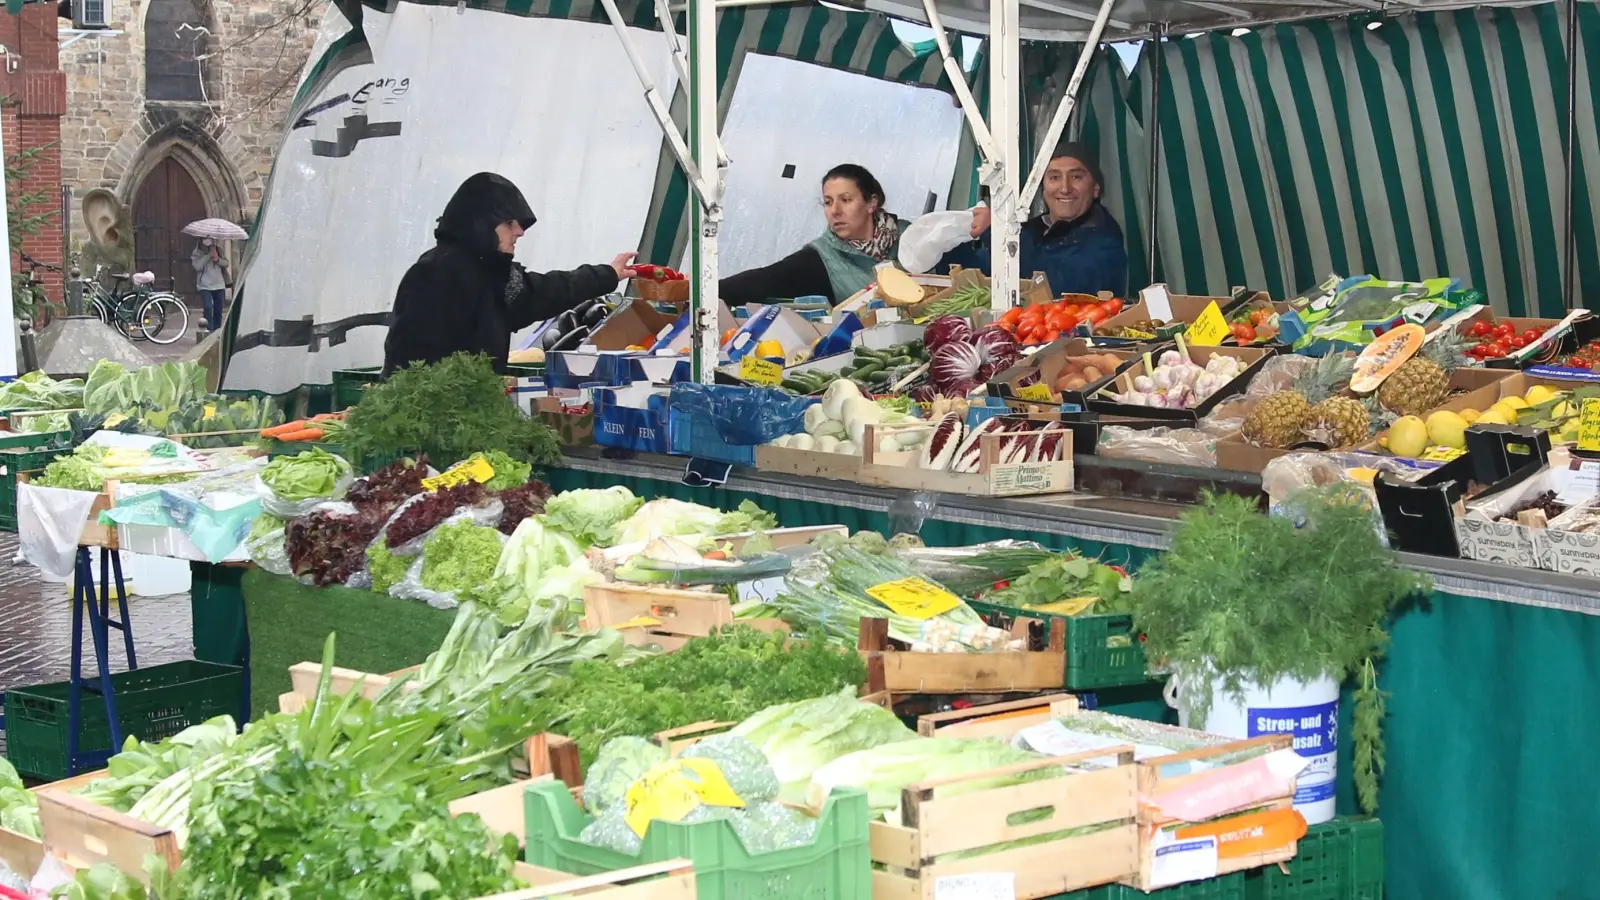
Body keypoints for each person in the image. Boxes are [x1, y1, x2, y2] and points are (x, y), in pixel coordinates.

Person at [383, 172, 638, 376]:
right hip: (440, 420)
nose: (519, 232)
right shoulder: (438, 274)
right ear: (480, 223)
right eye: (509, 223)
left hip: (472, 416)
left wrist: (608, 274)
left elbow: (547, 290)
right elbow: (410, 361)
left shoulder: (493, 273)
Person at [942, 142, 1128, 297]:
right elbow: (986, 268)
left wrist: (997, 231)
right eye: (1054, 177)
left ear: (1096, 188)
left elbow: (1058, 285)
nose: (1064, 188)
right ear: (1043, 188)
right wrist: (946, 243)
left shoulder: (1104, 238)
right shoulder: (1033, 230)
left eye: (1076, 177)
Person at [721, 164, 907, 306]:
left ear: (871, 203)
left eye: (846, 200)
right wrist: (702, 293)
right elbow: (763, 280)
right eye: (828, 202)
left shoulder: (911, 238)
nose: (835, 211)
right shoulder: (820, 259)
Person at [191, 238, 229, 332]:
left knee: (218, 309)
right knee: (208, 306)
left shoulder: (219, 249)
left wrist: (217, 259)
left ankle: (217, 331)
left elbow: (226, 263)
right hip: (204, 285)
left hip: (219, 284)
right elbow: (197, 266)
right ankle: (208, 330)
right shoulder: (197, 252)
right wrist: (208, 256)